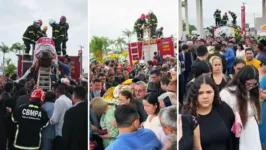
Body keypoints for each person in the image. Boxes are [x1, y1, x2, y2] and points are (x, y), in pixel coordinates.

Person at [183, 75, 238, 150]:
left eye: (209, 92)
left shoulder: (224, 109)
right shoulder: (188, 117)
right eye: (200, 93)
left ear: (214, 92)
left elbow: (234, 137)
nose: (205, 96)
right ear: (194, 95)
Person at [220, 65, 262, 150]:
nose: (251, 86)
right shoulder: (226, 93)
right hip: (233, 130)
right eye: (248, 84)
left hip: (250, 129)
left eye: (254, 84)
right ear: (241, 80)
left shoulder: (252, 91)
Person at [50, 84, 73, 150]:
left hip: (59, 132)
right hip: (67, 131)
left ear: (57, 92)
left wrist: (49, 120)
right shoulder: (69, 100)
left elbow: (55, 119)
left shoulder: (58, 101)